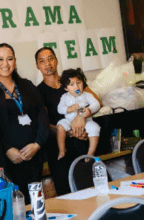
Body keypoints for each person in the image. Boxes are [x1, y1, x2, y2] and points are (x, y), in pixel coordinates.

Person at [0, 43, 48, 204]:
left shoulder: (28, 86)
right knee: (13, 205)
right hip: (5, 161)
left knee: (35, 203)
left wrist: (37, 144)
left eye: (9, 59)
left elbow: (42, 116)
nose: (5, 64)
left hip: (33, 157)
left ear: (15, 61)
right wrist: (7, 149)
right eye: (0, 59)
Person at [35, 46, 101, 196]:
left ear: (57, 61)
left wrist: (81, 116)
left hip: (83, 143)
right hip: (59, 149)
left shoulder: (73, 82)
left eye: (50, 58)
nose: (47, 64)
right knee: (69, 195)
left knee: (94, 189)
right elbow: (43, 125)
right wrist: (71, 132)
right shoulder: (37, 92)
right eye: (42, 61)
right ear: (38, 66)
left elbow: (97, 103)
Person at [56, 68, 101, 159]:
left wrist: (89, 109)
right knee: (60, 126)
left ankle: (91, 152)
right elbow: (59, 109)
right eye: (72, 84)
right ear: (65, 87)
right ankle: (62, 149)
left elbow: (97, 104)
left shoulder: (87, 95)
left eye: (79, 82)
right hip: (68, 121)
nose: (76, 87)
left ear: (83, 83)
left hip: (86, 120)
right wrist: (69, 108)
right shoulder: (64, 97)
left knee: (95, 128)